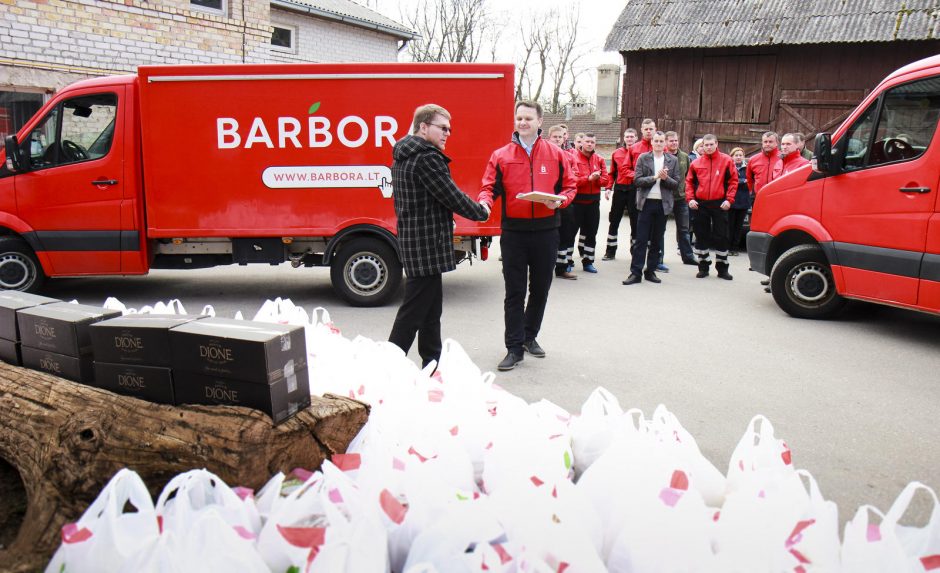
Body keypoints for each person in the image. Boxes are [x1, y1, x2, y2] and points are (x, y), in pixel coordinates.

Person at [478, 100, 577, 372]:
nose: (523, 123)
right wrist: (485, 203)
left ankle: (530, 336)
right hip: (515, 233)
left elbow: (570, 186)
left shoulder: (556, 154)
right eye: (519, 118)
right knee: (515, 291)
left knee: (540, 288)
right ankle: (513, 347)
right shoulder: (501, 155)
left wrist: (561, 201)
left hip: (547, 231)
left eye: (528, 119)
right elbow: (488, 187)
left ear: (539, 122)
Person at [388, 104, 489, 368]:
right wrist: (482, 211)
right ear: (423, 127)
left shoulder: (403, 154)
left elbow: (425, 200)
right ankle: (386, 366)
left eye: (449, 129)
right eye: (442, 128)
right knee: (413, 311)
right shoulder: (426, 157)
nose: (447, 133)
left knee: (431, 310)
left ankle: (431, 364)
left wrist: (447, 218)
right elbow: (450, 195)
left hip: (416, 240)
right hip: (427, 245)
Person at [623, 131, 678, 285]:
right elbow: (637, 180)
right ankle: (635, 273)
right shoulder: (643, 158)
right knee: (641, 240)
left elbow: (676, 184)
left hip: (663, 205)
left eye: (661, 141)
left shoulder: (672, 160)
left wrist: (665, 178)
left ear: (665, 143)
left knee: (656, 240)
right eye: (656, 141)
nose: (659, 144)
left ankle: (651, 271)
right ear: (652, 142)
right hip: (646, 204)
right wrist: (654, 177)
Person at [686, 134, 738, 280]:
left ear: (716, 143)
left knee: (721, 236)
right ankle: (703, 267)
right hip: (700, 204)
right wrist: (690, 199)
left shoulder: (726, 160)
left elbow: (733, 181)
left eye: (711, 144)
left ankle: (722, 269)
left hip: (719, 203)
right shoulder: (696, 163)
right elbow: (689, 182)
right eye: (705, 145)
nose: (708, 147)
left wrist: (729, 200)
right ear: (702, 146)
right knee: (701, 235)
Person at [563, 133, 610, 274]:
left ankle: (588, 261)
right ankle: (568, 261)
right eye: (587, 141)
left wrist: (596, 179)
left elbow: (606, 180)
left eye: (592, 142)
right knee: (571, 233)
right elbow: (572, 180)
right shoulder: (574, 158)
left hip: (593, 202)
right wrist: (588, 178)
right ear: (581, 143)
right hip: (577, 202)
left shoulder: (599, 159)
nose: (590, 144)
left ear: (595, 144)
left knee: (591, 233)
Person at [602, 128, 638, 261]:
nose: (629, 139)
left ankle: (635, 251)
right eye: (627, 137)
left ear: (636, 138)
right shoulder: (617, 153)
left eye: (632, 137)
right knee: (614, 220)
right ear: (624, 138)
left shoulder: (640, 152)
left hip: (634, 189)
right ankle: (610, 251)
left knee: (635, 221)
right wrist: (608, 188)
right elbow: (612, 173)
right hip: (620, 189)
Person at [663, 131, 696, 265]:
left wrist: (688, 194)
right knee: (660, 229)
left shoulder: (685, 157)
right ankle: (659, 258)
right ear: (666, 142)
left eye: (676, 140)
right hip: (665, 197)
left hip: (681, 198)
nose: (674, 143)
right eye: (671, 141)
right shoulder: (662, 157)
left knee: (684, 229)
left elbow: (689, 177)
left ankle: (688, 257)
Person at [728, 147, 750, 256]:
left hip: (743, 202)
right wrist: (741, 181)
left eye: (740, 155)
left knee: (738, 227)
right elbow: (728, 182)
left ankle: (734, 248)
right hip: (731, 202)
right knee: (729, 226)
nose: (738, 157)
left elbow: (749, 182)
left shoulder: (747, 168)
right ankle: (728, 247)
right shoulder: (729, 167)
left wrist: (738, 182)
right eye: (736, 155)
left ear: (743, 156)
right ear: (732, 157)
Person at [745, 131, 779, 197]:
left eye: (770, 142)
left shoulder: (782, 158)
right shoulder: (753, 159)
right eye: (765, 142)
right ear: (762, 143)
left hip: (777, 196)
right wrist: (751, 192)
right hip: (758, 196)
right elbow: (749, 178)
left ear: (777, 143)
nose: (767, 144)